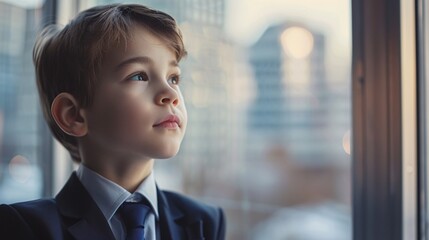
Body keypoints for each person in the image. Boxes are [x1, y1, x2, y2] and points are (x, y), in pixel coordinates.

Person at [0, 3, 226, 240]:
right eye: (139, 75)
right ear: (73, 115)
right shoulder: (24, 228)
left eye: (173, 78)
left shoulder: (204, 223)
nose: (170, 94)